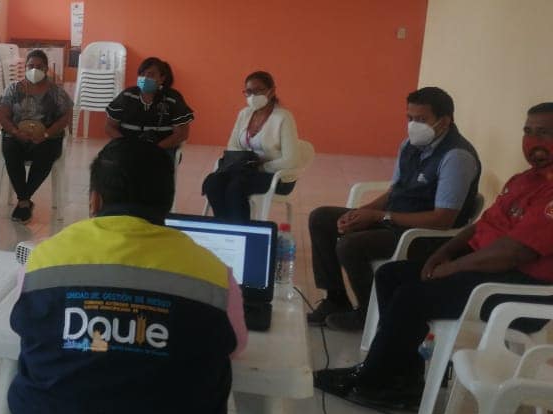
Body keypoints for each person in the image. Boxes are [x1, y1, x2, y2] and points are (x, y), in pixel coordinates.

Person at [0, 138, 248, 414]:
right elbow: (236, 348)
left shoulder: (45, 258)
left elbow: (25, 329)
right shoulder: (212, 273)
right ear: (168, 202)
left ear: (95, 200)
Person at [314, 102, 553, 408]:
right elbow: (482, 226)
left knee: (412, 296)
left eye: (543, 133)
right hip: (486, 267)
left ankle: (374, 380)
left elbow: (513, 252)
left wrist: (454, 267)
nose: (533, 141)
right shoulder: (525, 180)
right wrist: (443, 253)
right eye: (528, 131)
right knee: (391, 275)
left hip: (519, 287)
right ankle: (402, 376)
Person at [306, 87, 482, 331]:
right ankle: (336, 299)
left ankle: (369, 315)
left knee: (351, 245)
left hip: (426, 236)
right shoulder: (410, 145)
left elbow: (443, 220)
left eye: (421, 119)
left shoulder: (457, 157)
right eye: (410, 118)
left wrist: (380, 216)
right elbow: (394, 192)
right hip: (395, 220)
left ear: (444, 121)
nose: (413, 125)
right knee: (320, 218)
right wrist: (361, 211)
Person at [203, 71, 302, 222]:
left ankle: (242, 231)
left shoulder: (283, 117)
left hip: (275, 175)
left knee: (236, 188)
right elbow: (232, 146)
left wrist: (260, 166)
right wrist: (246, 163)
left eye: (258, 91)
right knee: (213, 183)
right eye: (249, 92)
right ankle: (225, 226)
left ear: (271, 91)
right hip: (243, 170)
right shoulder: (244, 114)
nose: (253, 96)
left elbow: (291, 160)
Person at [0, 49, 73, 223]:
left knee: (45, 154)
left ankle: (23, 200)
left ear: (46, 69)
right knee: (11, 151)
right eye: (31, 66)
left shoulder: (56, 92)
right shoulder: (13, 89)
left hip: (46, 138)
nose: (34, 70)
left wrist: (46, 134)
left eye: (39, 66)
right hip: (17, 136)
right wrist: (16, 132)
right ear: (25, 67)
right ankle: (25, 201)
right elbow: (3, 116)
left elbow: (65, 118)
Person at [105, 57, 193, 162]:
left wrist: (154, 149)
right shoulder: (127, 95)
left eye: (151, 75)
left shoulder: (172, 99)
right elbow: (110, 126)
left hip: (161, 149)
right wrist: (125, 145)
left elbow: (181, 134)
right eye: (142, 74)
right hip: (127, 147)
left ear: (162, 78)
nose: (145, 78)